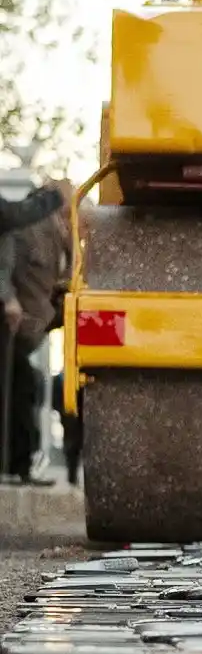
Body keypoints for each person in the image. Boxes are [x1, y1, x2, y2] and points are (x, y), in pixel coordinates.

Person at [0, 179, 71, 484]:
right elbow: (7, 262)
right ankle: (18, 466)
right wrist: (7, 297)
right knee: (21, 386)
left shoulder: (61, 232)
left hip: (26, 324)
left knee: (22, 386)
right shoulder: (27, 228)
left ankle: (18, 465)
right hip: (12, 321)